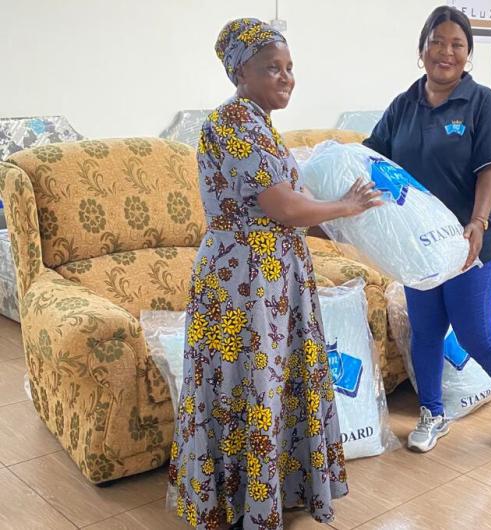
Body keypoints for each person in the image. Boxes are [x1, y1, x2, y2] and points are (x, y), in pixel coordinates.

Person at [169, 18, 382, 530]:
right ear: (240, 72)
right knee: (250, 385)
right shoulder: (233, 122)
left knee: (268, 383)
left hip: (270, 275)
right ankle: (242, 503)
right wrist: (346, 206)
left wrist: (347, 220)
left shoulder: (259, 123)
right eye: (272, 68)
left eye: (289, 67)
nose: (286, 77)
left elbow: (292, 204)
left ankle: (267, 494)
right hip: (245, 280)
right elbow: (283, 206)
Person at [363, 6, 491, 454]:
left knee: (474, 332)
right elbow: (372, 157)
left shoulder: (482, 104)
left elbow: (490, 171)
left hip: (469, 240)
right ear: (422, 49)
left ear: (468, 53)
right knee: (424, 332)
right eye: (437, 42)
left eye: (457, 45)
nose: (446, 52)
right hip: (422, 245)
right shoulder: (404, 105)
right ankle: (432, 412)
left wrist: (477, 222)